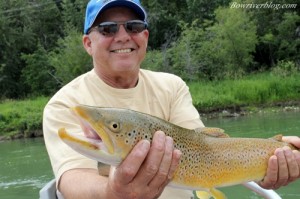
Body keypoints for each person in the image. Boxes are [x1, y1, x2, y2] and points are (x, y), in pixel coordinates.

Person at [43, 0, 300, 198]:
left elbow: (205, 150)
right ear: (88, 43)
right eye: (108, 29)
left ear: (145, 36)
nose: (122, 36)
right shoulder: (65, 103)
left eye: (133, 26)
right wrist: (114, 194)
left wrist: (270, 163)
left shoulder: (171, 85)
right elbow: (72, 179)